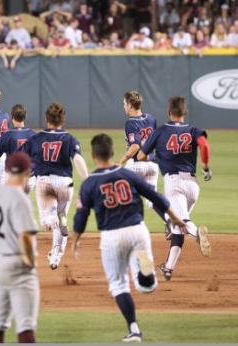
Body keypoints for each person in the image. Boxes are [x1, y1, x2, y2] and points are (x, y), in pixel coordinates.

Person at [73, 133, 187, 342]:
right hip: (138, 232)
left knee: (118, 284)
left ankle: (134, 328)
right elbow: (156, 197)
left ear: (93, 155)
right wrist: (176, 220)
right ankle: (146, 272)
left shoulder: (89, 183)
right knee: (146, 286)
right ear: (112, 153)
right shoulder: (128, 175)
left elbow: (81, 216)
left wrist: (76, 240)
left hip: (112, 237)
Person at [137, 96, 212, 281]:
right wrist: (206, 167)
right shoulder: (193, 130)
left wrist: (156, 157)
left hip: (175, 185)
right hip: (193, 186)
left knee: (182, 222)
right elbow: (204, 145)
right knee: (178, 228)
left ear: (169, 113)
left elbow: (140, 156)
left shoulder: (161, 131)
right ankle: (168, 268)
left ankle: (198, 234)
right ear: (184, 113)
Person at [24, 102, 89, 270]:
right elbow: (78, 160)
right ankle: (55, 257)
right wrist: (87, 180)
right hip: (65, 184)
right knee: (62, 217)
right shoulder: (69, 138)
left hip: (45, 183)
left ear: (46, 119)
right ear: (62, 120)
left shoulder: (36, 138)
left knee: (48, 220)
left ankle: (55, 220)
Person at [0, 151, 39, 343]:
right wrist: (30, 264)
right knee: (25, 325)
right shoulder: (20, 197)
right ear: (27, 173)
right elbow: (25, 235)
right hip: (16, 264)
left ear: (7, 171)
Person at [118, 91, 165, 222]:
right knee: (152, 200)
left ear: (130, 105)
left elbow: (135, 146)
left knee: (119, 192)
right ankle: (170, 223)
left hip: (136, 165)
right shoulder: (151, 119)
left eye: (124, 104)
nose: (123, 107)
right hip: (152, 165)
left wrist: (121, 162)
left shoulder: (131, 123)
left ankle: (125, 228)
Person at [0, 104, 36, 191]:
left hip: (13, 178)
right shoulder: (33, 135)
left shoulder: (7, 135)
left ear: (12, 117)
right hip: (29, 179)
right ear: (25, 116)